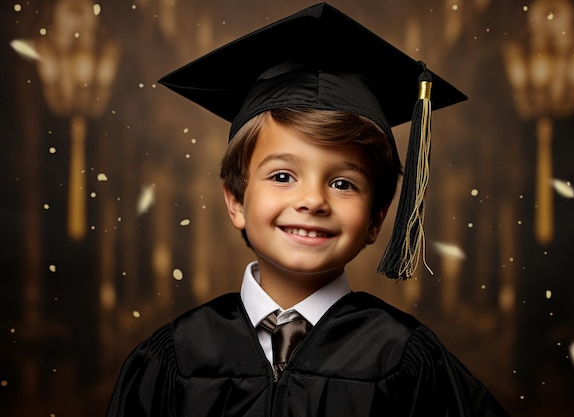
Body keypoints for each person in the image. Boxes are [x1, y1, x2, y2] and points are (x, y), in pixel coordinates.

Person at [106, 3, 510, 416]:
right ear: (236, 201)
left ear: (378, 218)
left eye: (342, 184)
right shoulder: (175, 357)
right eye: (282, 176)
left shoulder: (403, 357)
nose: (313, 201)